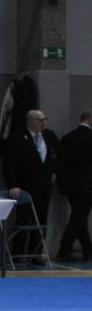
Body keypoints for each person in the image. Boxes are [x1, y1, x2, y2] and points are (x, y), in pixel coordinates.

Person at [2, 109, 58, 261]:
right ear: (30, 121)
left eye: (45, 119)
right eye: (40, 120)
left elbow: (59, 154)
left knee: (41, 219)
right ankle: (18, 253)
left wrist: (55, 171)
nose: (44, 122)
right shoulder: (18, 136)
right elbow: (9, 162)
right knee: (23, 219)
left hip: (44, 185)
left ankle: (36, 254)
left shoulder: (49, 135)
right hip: (24, 185)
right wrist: (12, 183)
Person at [55, 110, 92, 261]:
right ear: (90, 119)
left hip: (69, 184)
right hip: (87, 184)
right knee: (78, 217)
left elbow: (61, 160)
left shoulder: (67, 138)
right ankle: (64, 250)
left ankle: (88, 250)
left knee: (79, 216)